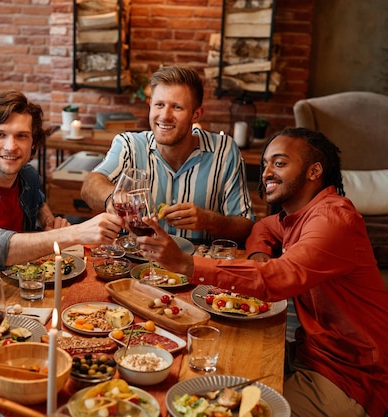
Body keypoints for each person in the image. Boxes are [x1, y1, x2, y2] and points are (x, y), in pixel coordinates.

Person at [139, 127, 388, 417]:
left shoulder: (333, 219)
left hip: (350, 378)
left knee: (221, 408)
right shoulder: (300, 214)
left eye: (280, 163)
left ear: (314, 171)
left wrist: (186, 264)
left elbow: (278, 276)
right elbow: (264, 228)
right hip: (311, 355)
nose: (267, 171)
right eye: (266, 163)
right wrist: (259, 259)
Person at [0, 90, 123, 279]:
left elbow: (38, 201)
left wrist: (48, 221)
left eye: (21, 136)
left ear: (33, 143)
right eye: (0, 135)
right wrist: (75, 233)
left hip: (15, 286)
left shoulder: (27, 175)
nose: (11, 147)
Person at [81, 65, 254, 244]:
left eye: (177, 107)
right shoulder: (129, 145)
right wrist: (112, 197)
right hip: (136, 264)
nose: (165, 116)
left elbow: (245, 226)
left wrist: (209, 221)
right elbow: (89, 185)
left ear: (196, 114)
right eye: (159, 105)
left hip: (197, 265)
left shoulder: (224, 151)